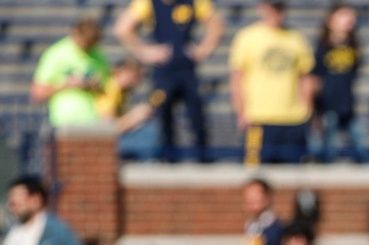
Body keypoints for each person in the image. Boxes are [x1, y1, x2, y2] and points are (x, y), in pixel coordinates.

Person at [113, 0, 224, 162]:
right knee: (163, 116)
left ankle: (203, 161)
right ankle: (168, 161)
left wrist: (203, 49)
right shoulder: (148, 3)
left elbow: (216, 25)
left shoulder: (195, 2)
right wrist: (144, 52)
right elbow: (122, 29)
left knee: (197, 117)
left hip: (187, 70)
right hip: (164, 72)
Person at [229, 0, 315, 165]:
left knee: (291, 179)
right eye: (273, 7)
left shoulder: (296, 38)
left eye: (281, 7)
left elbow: (305, 77)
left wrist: (307, 109)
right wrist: (241, 111)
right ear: (263, 8)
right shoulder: (248, 37)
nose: (277, 12)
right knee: (255, 175)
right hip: (258, 118)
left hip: (292, 119)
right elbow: (237, 78)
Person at [311, 3, 369, 164]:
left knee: (362, 147)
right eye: (343, 16)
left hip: (348, 104)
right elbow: (315, 78)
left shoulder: (354, 46)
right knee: (329, 148)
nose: (349, 20)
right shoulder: (322, 47)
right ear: (331, 20)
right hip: (328, 103)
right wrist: (315, 107)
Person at [30, 18, 109, 128]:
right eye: (85, 43)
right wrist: (67, 85)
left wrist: (94, 85)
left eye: (91, 44)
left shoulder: (99, 57)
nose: (87, 48)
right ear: (75, 34)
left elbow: (108, 89)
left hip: (94, 123)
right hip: (63, 123)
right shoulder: (56, 54)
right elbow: (37, 93)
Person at [95, 59, 160, 161]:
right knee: (150, 132)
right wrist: (134, 117)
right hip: (100, 143)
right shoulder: (111, 88)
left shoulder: (121, 93)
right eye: (134, 75)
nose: (136, 81)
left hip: (111, 140)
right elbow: (107, 129)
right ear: (121, 71)